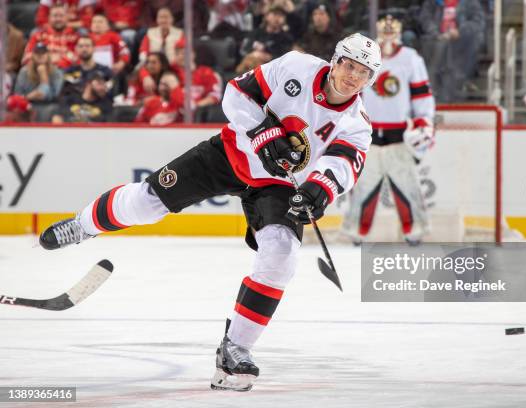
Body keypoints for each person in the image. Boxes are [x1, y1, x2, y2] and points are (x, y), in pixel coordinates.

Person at [38, 33, 382, 392]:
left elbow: (342, 165)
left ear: (370, 80)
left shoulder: (357, 123)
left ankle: (235, 349)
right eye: (349, 65)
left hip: (279, 186)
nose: (353, 76)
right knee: (146, 202)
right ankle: (83, 226)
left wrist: (318, 190)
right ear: (335, 60)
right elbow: (238, 92)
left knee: (281, 255)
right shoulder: (296, 65)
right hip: (230, 155)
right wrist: (263, 132)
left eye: (363, 72)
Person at [342, 16, 435, 245]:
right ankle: (356, 233)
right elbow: (353, 92)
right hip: (367, 135)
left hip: (399, 135)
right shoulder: (365, 57)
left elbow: (422, 95)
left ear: (399, 33)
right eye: (384, 33)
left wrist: (424, 122)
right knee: (362, 188)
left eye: (392, 33)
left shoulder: (411, 59)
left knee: (408, 185)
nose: (387, 38)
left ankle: (414, 232)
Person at [419, 0, 485, 102]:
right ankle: (435, 90)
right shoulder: (432, 2)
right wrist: (436, 34)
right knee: (439, 46)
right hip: (436, 40)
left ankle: (451, 90)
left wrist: (460, 31)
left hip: (461, 43)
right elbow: (425, 19)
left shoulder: (471, 2)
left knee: (449, 51)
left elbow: (478, 22)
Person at [236, 6, 294, 74]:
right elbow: (244, 50)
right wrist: (254, 54)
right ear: (267, 16)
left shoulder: (287, 38)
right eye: (275, 14)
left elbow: (286, 58)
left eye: (281, 15)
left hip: (273, 69)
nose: (277, 18)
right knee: (250, 62)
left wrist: (268, 57)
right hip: (250, 64)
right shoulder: (256, 33)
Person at [23, 4, 80, 69]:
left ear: (66, 17)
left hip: (67, 73)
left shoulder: (76, 37)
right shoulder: (38, 36)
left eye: (61, 16)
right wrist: (50, 60)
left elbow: (80, 60)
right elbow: (26, 59)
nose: (58, 19)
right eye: (55, 16)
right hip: (41, 71)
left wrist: (59, 61)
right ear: (49, 17)